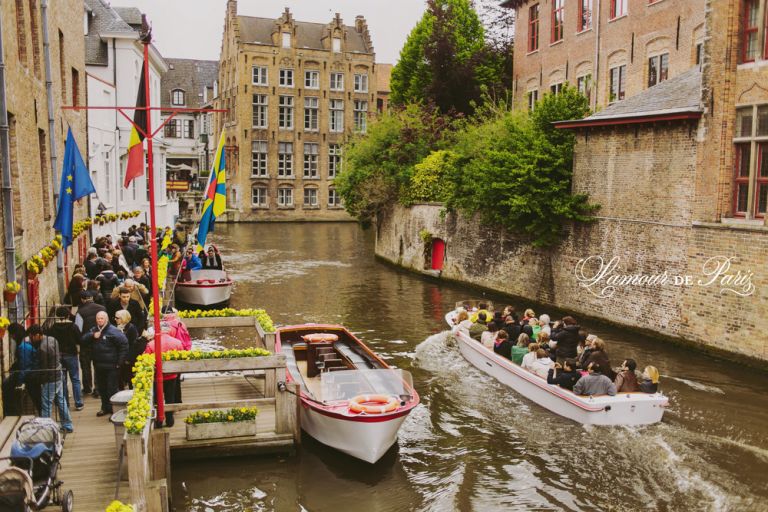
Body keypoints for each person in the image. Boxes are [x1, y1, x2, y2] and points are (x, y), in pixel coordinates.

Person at [82, 311, 128, 417]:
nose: (100, 320)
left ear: (106, 319)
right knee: (101, 388)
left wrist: (120, 362)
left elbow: (124, 345)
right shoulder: (94, 330)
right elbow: (83, 340)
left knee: (112, 388)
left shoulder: (114, 331)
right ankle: (104, 407)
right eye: (98, 318)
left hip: (112, 365)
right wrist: (92, 335)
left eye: (102, 318)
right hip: (99, 365)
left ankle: (114, 409)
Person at [31, 325, 74, 433]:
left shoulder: (42, 348)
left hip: (50, 379)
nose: (31, 339)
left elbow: (44, 368)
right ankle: (67, 424)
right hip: (58, 374)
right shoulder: (52, 339)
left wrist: (40, 381)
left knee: (46, 404)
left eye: (32, 336)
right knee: (61, 401)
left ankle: (47, 429)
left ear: (37, 335)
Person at [144, 327, 184, 427]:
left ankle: (159, 420)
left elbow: (146, 358)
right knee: (170, 397)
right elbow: (182, 357)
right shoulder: (177, 342)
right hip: (172, 375)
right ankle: (170, 420)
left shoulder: (151, 344)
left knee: (157, 398)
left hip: (157, 376)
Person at [45, 307, 83, 411]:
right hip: (71, 354)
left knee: (63, 380)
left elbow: (50, 341)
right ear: (68, 315)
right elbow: (80, 339)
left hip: (58, 355)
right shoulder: (73, 326)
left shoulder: (53, 328)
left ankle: (65, 403)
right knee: (75, 379)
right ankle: (78, 403)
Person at [1, 324, 41, 415]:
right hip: (31, 373)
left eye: (11, 334)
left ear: (15, 334)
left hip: (30, 376)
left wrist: (20, 381)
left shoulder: (23, 346)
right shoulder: (25, 342)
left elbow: (25, 366)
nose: (11, 337)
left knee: (37, 400)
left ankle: (12, 412)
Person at [75, 291, 106, 396]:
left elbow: (78, 329)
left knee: (86, 367)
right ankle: (98, 388)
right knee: (98, 366)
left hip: (86, 343)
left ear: (82, 299)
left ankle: (88, 388)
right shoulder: (102, 308)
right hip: (100, 341)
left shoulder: (80, 312)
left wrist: (80, 342)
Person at [115, 310, 139, 390]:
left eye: (117, 318)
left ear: (123, 318)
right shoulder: (118, 328)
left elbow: (134, 345)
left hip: (128, 358)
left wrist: (129, 359)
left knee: (129, 378)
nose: (115, 319)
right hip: (120, 357)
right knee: (120, 378)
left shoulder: (131, 328)